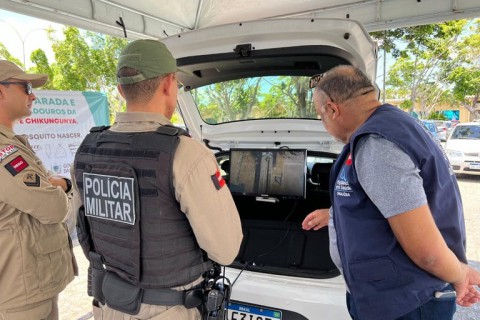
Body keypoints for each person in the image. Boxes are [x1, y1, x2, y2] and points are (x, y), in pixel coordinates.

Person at [72, 39, 243, 320]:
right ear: (168, 83)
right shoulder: (187, 153)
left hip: (108, 307)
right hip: (167, 311)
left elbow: (80, 224)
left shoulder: (87, 149)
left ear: (120, 89)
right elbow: (226, 250)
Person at [304, 65, 480, 320]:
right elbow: (390, 202)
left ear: (332, 109)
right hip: (398, 298)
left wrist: (460, 275)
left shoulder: (378, 145)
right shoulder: (396, 125)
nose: (324, 123)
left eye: (321, 116)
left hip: (405, 303)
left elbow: (426, 251)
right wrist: (335, 214)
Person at [0, 60, 77, 320]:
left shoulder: (12, 142)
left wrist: (51, 185)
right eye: (26, 87)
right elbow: (53, 208)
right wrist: (64, 186)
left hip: (28, 286)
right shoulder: (4, 151)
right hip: (19, 295)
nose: (33, 95)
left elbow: (41, 184)